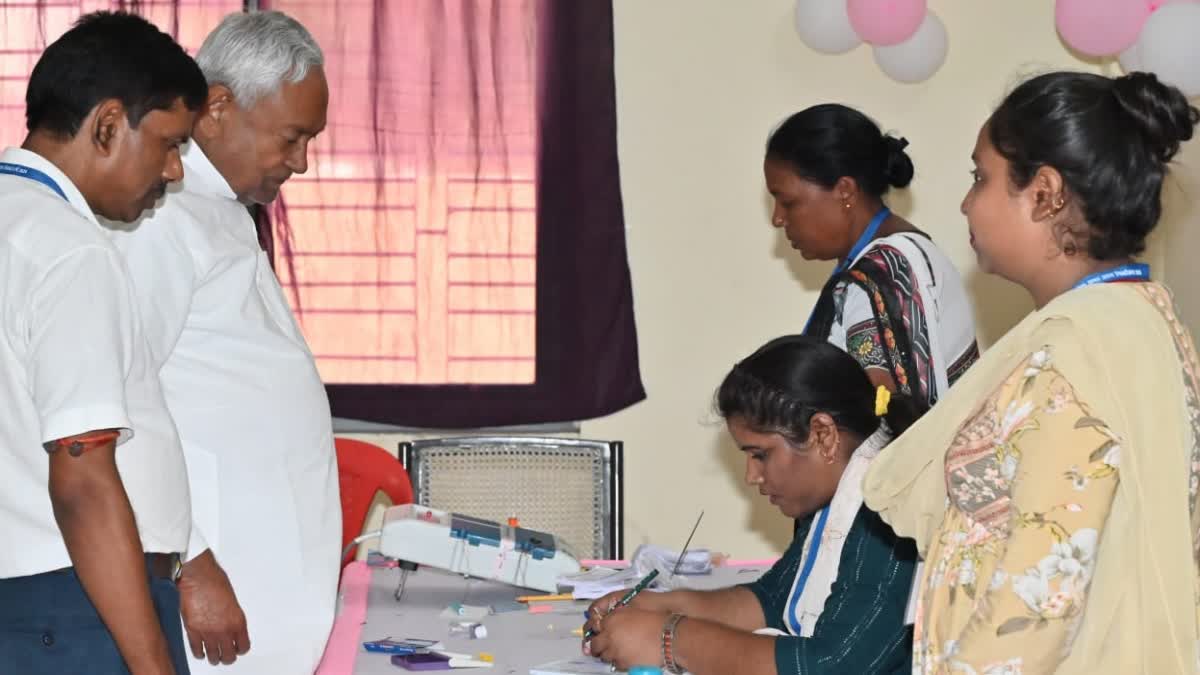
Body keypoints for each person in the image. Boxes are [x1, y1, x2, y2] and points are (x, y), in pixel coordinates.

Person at [863, 71, 1200, 674]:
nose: (967, 202)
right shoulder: (1139, 318)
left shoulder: (1081, 351)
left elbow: (1041, 599)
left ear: (1044, 192)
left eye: (980, 177)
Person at [108, 10, 339, 674]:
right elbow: (120, 406)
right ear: (217, 107)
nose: (301, 162)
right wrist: (189, 561)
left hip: (261, 581)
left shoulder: (221, 212)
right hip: (216, 588)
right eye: (292, 138)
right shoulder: (161, 218)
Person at [0, 12, 207, 675]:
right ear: (109, 124)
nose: (174, 171)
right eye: (171, 143)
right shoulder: (67, 251)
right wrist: (152, 665)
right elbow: (83, 481)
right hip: (71, 603)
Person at [584, 335, 920, 674]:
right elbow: (772, 601)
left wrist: (669, 639)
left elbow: (832, 665)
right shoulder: (832, 501)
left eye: (761, 455)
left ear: (823, 435)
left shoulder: (890, 514)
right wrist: (662, 606)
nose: (751, 476)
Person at [765, 104, 978, 406]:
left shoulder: (889, 270)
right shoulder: (879, 264)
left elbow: (885, 422)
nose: (777, 218)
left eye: (787, 202)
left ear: (845, 191)